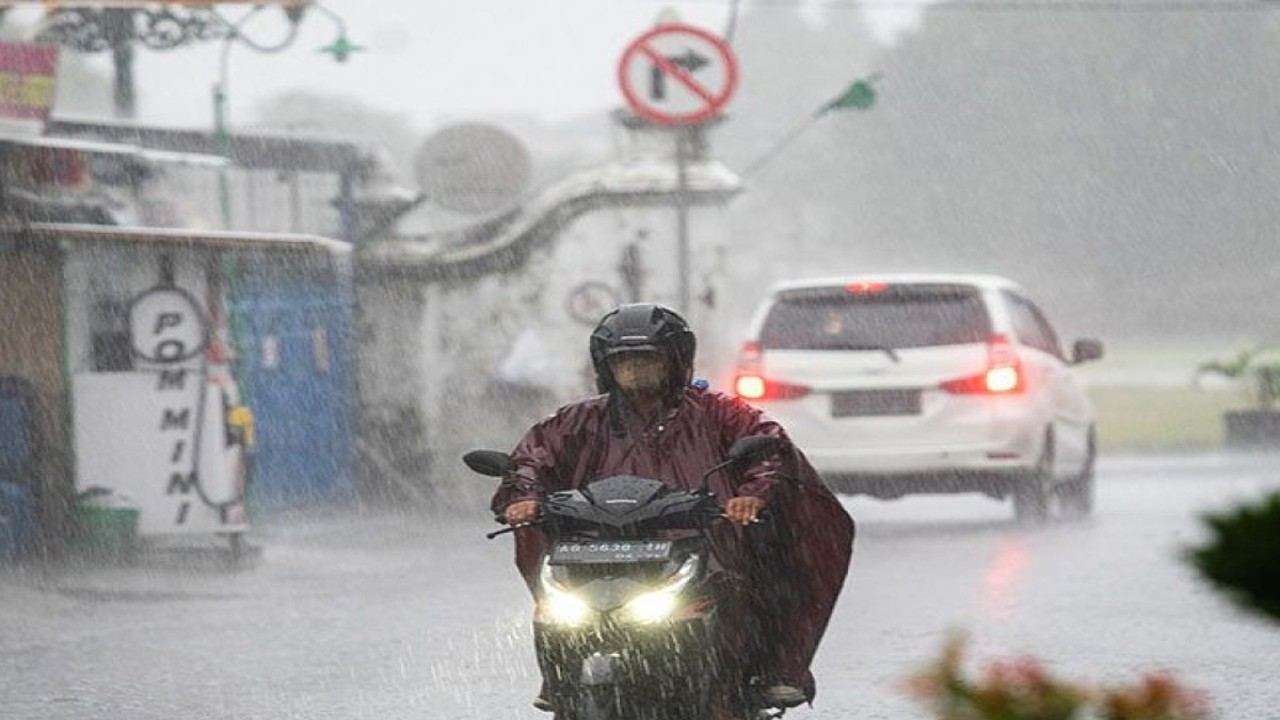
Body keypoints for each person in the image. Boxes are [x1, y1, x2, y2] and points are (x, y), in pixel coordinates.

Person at [490, 303, 855, 712]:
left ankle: (767, 670)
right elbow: (532, 460)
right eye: (624, 361)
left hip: (701, 549)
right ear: (606, 367)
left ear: (674, 361)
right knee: (555, 606)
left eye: (647, 359)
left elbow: (768, 449)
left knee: (761, 582)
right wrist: (522, 497)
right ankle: (561, 676)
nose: (635, 370)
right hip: (594, 551)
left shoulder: (720, 413)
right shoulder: (577, 421)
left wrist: (753, 494)